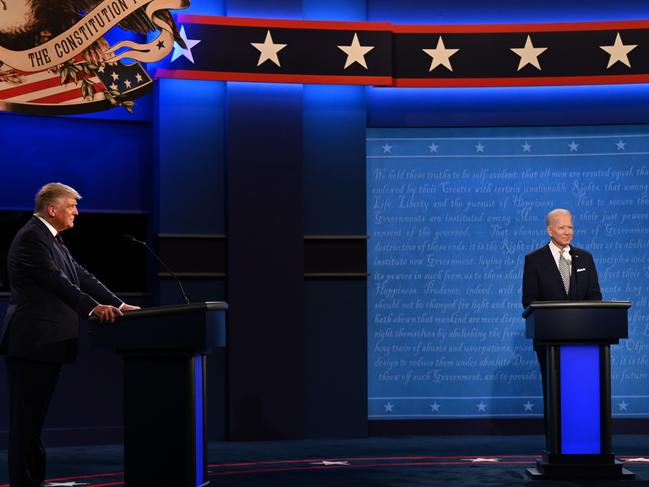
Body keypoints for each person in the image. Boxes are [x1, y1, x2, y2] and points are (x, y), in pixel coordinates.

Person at [0, 182, 140, 487]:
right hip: (32, 341)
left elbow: (81, 276)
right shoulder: (31, 239)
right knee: (26, 422)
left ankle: (33, 481)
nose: (76, 212)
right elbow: (57, 282)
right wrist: (94, 309)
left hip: (45, 343)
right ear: (52, 209)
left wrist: (117, 303)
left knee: (33, 422)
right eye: (71, 206)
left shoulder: (51, 239)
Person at [521, 208, 602, 441]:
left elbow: (595, 297)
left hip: (585, 342)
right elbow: (529, 300)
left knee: (582, 394)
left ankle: (585, 440)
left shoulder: (585, 258)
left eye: (571, 227)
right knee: (556, 393)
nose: (567, 232)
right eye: (562, 227)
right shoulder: (534, 260)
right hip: (550, 341)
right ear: (549, 230)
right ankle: (556, 443)